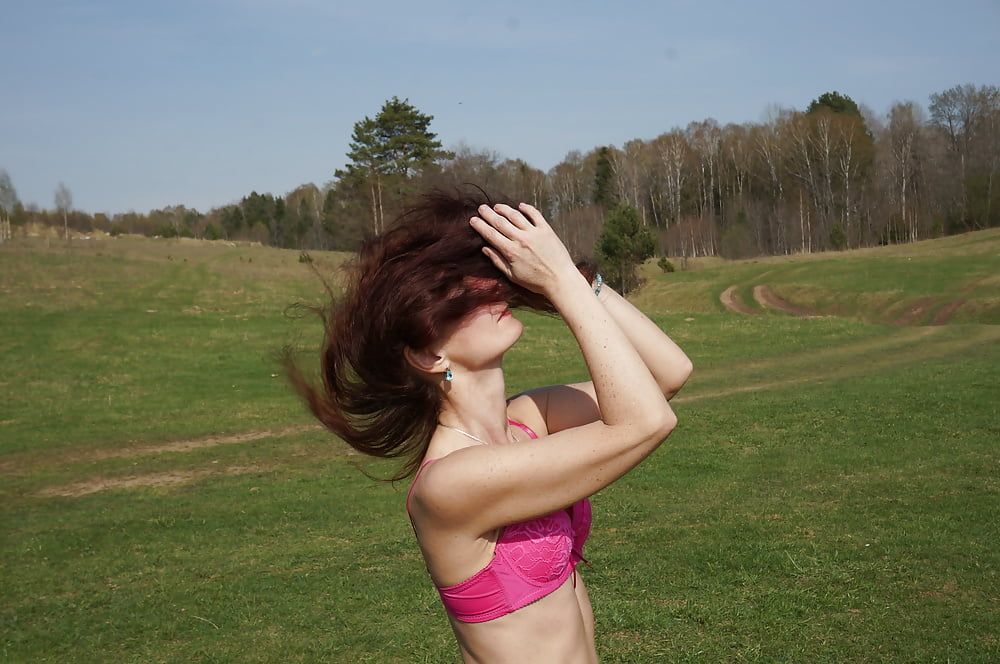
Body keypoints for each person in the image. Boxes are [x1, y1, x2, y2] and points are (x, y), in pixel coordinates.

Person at [282, 188, 693, 663]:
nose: (490, 290)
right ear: (428, 355)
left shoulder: (529, 420)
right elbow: (646, 422)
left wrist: (582, 282)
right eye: (461, 296)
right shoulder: (450, 482)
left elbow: (666, 375)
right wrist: (560, 281)